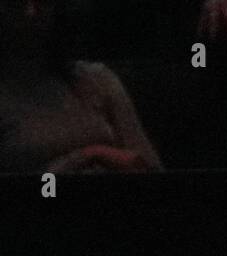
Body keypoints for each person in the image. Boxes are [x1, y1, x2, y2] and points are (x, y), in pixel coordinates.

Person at [0, 0, 161, 173]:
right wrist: (84, 157)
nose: (30, 12)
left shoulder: (96, 80)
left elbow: (147, 166)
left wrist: (94, 155)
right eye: (15, 4)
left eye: (41, 2)